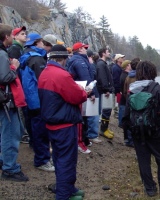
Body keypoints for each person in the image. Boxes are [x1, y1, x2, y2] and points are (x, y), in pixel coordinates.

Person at [38, 45, 87, 200]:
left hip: (51, 123)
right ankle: (63, 195)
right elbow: (78, 97)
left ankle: (69, 189)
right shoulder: (61, 75)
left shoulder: (45, 72)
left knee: (60, 158)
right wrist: (84, 91)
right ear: (63, 58)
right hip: (64, 124)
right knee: (67, 160)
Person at [122, 61, 160, 197]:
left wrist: (130, 132)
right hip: (157, 132)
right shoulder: (157, 89)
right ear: (153, 72)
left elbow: (126, 115)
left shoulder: (132, 90)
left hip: (138, 133)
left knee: (143, 161)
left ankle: (150, 189)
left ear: (138, 73)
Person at [19, 33, 55, 171]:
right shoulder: (37, 59)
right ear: (37, 43)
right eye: (41, 42)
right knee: (41, 131)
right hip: (37, 101)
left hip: (28, 99)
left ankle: (40, 154)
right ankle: (42, 160)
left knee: (34, 129)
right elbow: (43, 82)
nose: (43, 44)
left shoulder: (25, 56)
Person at [0, 23, 29, 182]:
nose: (13, 36)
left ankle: (6, 162)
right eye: (11, 35)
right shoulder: (2, 54)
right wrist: (14, 67)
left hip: (6, 100)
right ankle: (10, 168)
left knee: (10, 131)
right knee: (11, 133)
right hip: (6, 101)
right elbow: (4, 77)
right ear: (6, 37)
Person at [67, 42, 97, 153]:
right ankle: (80, 143)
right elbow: (86, 77)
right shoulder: (79, 61)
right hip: (80, 92)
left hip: (79, 91)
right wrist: (92, 92)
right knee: (80, 119)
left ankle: (84, 139)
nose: (86, 50)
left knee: (82, 118)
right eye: (84, 48)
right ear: (79, 49)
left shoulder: (78, 60)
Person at [7, 26, 30, 144]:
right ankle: (22, 134)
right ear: (14, 36)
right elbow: (13, 68)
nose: (25, 35)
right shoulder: (15, 49)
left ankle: (22, 133)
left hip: (18, 82)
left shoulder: (19, 48)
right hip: (16, 83)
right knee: (18, 110)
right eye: (21, 34)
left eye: (25, 33)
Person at [95, 48, 114, 139]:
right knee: (106, 110)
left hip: (107, 90)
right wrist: (106, 89)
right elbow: (102, 78)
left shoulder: (103, 63)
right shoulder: (101, 64)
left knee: (108, 109)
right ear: (103, 53)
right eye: (108, 52)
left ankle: (105, 128)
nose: (109, 53)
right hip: (105, 91)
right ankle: (103, 129)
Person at [119, 60, 133, 147]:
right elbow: (124, 91)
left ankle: (128, 139)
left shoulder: (125, 75)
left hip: (124, 101)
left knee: (126, 121)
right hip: (125, 101)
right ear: (127, 66)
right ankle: (128, 140)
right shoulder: (125, 76)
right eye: (130, 64)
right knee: (127, 122)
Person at [111, 53, 125, 118]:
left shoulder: (120, 67)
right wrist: (119, 89)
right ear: (118, 59)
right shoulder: (116, 68)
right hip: (117, 89)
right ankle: (116, 113)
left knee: (118, 101)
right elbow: (116, 80)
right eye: (121, 58)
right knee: (117, 101)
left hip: (119, 88)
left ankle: (118, 113)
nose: (123, 59)